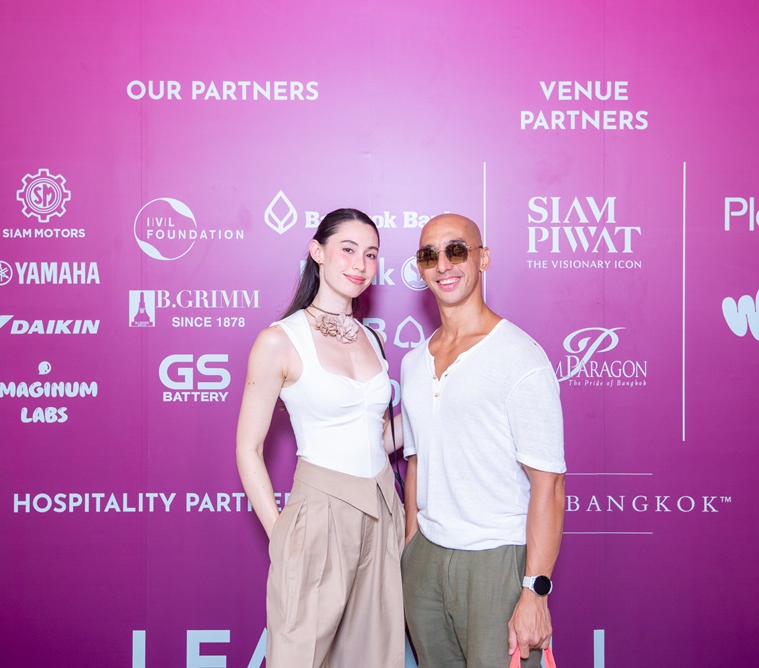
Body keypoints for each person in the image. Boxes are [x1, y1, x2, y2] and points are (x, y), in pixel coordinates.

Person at [235, 208, 405, 668]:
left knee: (375, 657)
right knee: (300, 655)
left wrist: (434, 408)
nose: (360, 265)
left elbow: (376, 436)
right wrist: (280, 535)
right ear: (318, 252)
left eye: (371, 254)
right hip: (319, 512)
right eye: (348, 249)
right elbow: (248, 449)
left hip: (382, 509)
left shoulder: (373, 339)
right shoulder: (279, 340)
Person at [400, 213, 566, 667]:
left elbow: (549, 484)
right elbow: (416, 461)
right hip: (426, 561)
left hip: (498, 561)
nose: (443, 265)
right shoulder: (413, 362)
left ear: (483, 258)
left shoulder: (520, 357)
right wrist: (412, 545)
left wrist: (535, 590)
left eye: (456, 250)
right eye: (429, 255)